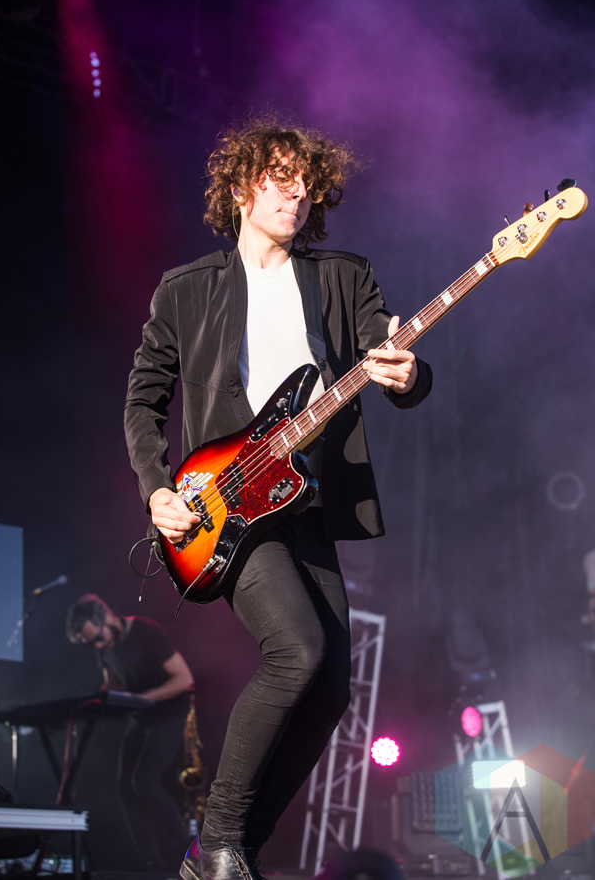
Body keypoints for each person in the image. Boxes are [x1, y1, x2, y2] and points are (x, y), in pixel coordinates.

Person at [124, 116, 433, 880]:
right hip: (226, 505)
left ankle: (230, 853)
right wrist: (157, 487)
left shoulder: (343, 277)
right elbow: (142, 400)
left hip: (307, 502)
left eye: (307, 184)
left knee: (331, 691)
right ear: (240, 187)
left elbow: (391, 357)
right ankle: (216, 838)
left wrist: (406, 374)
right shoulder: (186, 289)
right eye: (279, 179)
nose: (296, 195)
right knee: (297, 650)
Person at [66, 594, 194, 869]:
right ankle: (150, 860)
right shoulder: (103, 645)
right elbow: (113, 682)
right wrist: (99, 699)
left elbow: (184, 679)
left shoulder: (147, 632)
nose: (98, 645)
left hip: (170, 711)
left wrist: (144, 698)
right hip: (141, 714)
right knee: (125, 787)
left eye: (98, 638)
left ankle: (187, 847)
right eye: (91, 643)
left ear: (108, 617)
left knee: (144, 782)